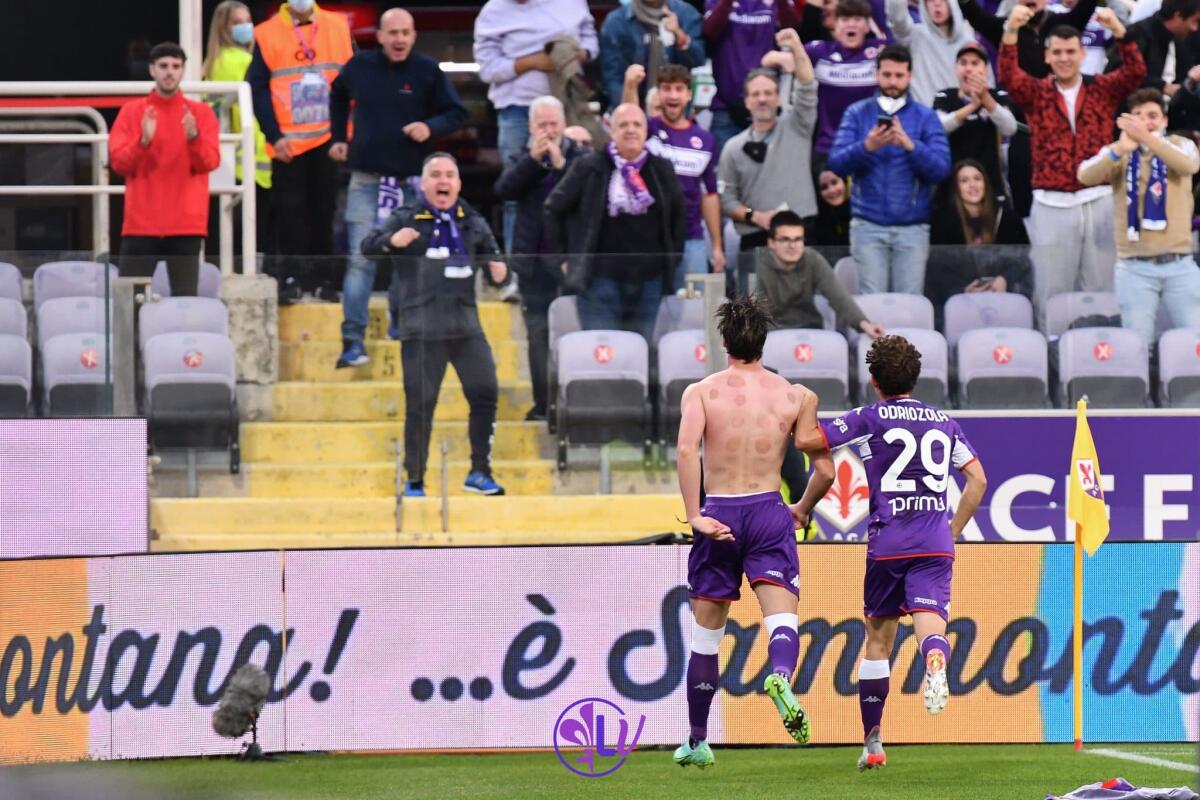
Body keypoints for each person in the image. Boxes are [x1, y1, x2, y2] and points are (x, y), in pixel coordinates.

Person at [803, 334, 987, 771]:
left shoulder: (869, 417)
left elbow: (810, 440)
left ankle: (873, 743)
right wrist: (952, 530)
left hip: (889, 541)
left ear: (873, 380)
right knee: (930, 621)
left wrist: (804, 404)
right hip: (935, 542)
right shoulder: (944, 422)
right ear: (916, 378)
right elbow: (978, 479)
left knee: (878, 641)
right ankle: (935, 661)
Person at [673, 295, 835, 769]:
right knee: (782, 619)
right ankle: (780, 674)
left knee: (707, 636)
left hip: (719, 512)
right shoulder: (794, 396)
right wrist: (801, 508)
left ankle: (698, 740)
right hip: (768, 511)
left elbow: (686, 451)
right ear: (764, 343)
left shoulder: (701, 392)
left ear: (724, 342)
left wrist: (695, 515)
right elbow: (825, 470)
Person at [361, 153, 510, 497]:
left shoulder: (472, 220)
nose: (444, 181)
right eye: (436, 175)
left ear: (458, 183)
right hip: (422, 328)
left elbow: (495, 261)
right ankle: (415, 479)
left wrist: (501, 271)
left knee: (486, 393)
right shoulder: (406, 216)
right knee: (420, 405)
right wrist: (391, 241)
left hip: (466, 327)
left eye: (450, 175)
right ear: (424, 183)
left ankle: (479, 472)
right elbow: (367, 247)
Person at [330, 8, 469, 369]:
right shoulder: (359, 66)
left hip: (411, 184)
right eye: (393, 33)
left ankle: (401, 326)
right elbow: (337, 95)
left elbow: (457, 113)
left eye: (406, 33)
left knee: (408, 262)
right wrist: (338, 137)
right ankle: (352, 341)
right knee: (360, 260)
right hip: (366, 180)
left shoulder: (427, 70)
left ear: (414, 35)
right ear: (379, 36)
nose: (399, 39)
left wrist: (430, 126)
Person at [1000, 7, 1146, 326]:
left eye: (1070, 51)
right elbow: (1009, 75)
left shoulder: (1102, 89)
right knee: (1052, 287)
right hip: (1051, 202)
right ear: (1047, 57)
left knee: (1102, 285)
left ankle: (1102, 343)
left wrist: (1119, 31)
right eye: (1057, 52)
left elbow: (1136, 71)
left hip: (1099, 198)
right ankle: (1053, 345)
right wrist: (1010, 30)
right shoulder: (1036, 94)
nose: (1064, 58)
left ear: (1082, 54)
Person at [543, 103, 686, 342]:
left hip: (650, 280)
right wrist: (562, 259)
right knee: (604, 350)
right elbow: (553, 208)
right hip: (599, 280)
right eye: (623, 125)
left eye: (637, 124)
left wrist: (671, 259)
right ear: (611, 130)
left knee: (641, 351)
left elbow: (679, 217)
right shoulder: (589, 166)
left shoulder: (661, 169)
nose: (630, 130)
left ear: (646, 131)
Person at [247, 0, 353, 303]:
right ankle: (290, 278)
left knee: (325, 211)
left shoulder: (338, 26)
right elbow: (257, 89)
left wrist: (343, 135)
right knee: (288, 214)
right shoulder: (266, 32)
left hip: (329, 141)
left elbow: (353, 81)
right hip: (287, 145)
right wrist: (274, 135)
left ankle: (323, 279)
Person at [1077, 88, 1200, 346]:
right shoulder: (1118, 151)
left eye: (1152, 116)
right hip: (1134, 268)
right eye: (1138, 116)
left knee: (1195, 344)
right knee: (1137, 347)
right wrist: (1120, 149)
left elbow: (1189, 165)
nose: (1145, 122)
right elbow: (1084, 175)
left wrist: (1147, 138)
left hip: (1180, 264)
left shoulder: (1181, 144)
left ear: (1165, 120)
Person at [474, 0, 597, 253]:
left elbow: (591, 42)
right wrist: (532, 62)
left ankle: (573, 262)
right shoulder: (493, 11)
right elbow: (487, 69)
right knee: (514, 193)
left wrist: (574, 55)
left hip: (567, 108)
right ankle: (517, 269)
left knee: (577, 188)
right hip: (518, 110)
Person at [494, 96, 589, 421]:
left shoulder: (580, 157)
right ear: (531, 127)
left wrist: (561, 166)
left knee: (573, 333)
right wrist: (533, 162)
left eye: (553, 124)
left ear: (563, 124)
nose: (548, 131)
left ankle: (574, 401)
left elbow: (584, 196)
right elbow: (505, 190)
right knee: (537, 335)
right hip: (534, 265)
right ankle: (542, 404)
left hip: (570, 263)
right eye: (542, 125)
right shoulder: (522, 157)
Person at [829, 44, 951, 295]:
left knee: (910, 305)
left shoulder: (926, 117)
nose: (893, 82)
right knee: (872, 305)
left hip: (913, 227)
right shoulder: (857, 112)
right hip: (867, 225)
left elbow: (941, 170)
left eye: (899, 75)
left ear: (910, 76)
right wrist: (867, 147)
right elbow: (836, 164)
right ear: (876, 74)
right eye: (887, 75)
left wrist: (910, 146)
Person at [110, 42, 219, 297]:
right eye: (163, 66)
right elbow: (119, 164)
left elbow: (209, 163)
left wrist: (194, 139)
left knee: (185, 301)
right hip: (141, 224)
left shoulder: (201, 114)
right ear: (152, 70)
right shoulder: (131, 112)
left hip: (186, 224)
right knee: (129, 304)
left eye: (175, 66)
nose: (169, 72)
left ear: (183, 70)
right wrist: (143, 142)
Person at [719, 29, 819, 291]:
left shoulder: (798, 125)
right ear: (746, 101)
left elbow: (808, 85)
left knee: (800, 309)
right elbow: (725, 200)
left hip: (801, 234)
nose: (762, 99)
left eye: (768, 93)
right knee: (752, 312)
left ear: (778, 97)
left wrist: (797, 46)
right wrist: (755, 217)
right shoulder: (732, 147)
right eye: (756, 94)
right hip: (755, 239)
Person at [623, 63, 726, 292]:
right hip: (651, 238)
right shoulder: (646, 131)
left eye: (679, 89)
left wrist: (717, 246)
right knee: (651, 305)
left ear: (689, 94)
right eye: (666, 88)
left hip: (691, 238)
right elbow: (628, 119)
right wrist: (630, 86)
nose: (672, 95)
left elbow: (709, 195)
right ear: (659, 93)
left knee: (695, 306)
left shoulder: (705, 140)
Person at [203, 1, 273, 257]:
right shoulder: (241, 61)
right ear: (223, 27)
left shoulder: (214, 63)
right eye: (237, 22)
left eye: (247, 21)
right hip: (250, 158)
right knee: (252, 236)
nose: (245, 27)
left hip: (231, 159)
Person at [927, 160, 1032, 324]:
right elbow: (938, 268)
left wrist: (1005, 279)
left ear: (985, 183)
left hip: (1003, 299)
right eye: (964, 181)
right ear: (956, 188)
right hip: (961, 304)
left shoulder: (1006, 217)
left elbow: (1023, 258)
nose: (972, 185)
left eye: (977, 178)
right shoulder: (944, 222)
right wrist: (962, 289)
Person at [755, 210, 885, 336]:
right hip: (772, 335)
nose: (792, 246)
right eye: (785, 239)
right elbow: (757, 315)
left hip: (811, 330)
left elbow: (838, 296)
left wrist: (865, 325)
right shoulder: (758, 266)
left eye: (798, 239)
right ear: (771, 243)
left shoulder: (812, 259)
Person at [701, 0, 806, 153]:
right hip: (726, 108)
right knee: (723, 167)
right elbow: (709, 31)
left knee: (769, 168)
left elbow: (793, 29)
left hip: (766, 107)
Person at [805, 0, 888, 174]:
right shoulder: (818, 52)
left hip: (870, 145)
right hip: (828, 147)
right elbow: (781, 59)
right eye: (845, 19)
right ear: (834, 25)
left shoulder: (880, 50)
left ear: (867, 26)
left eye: (857, 19)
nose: (851, 24)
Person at [932, 42, 1019, 208]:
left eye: (975, 63)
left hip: (991, 183)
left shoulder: (998, 95)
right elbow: (938, 127)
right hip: (951, 186)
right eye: (963, 63)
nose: (968, 69)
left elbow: (1010, 128)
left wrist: (986, 99)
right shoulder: (945, 96)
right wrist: (971, 107)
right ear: (956, 69)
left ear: (985, 69)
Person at [599, 0, 706, 110]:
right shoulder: (616, 21)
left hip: (675, 110)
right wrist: (628, 111)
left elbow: (698, 61)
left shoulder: (686, 13)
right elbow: (612, 77)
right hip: (633, 108)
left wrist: (679, 34)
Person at [1124, 0, 1200, 132]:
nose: (1195, 28)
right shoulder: (1137, 34)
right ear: (1177, 16)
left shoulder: (1182, 40)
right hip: (1133, 124)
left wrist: (1190, 83)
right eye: (1194, 21)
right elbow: (1122, 75)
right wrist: (1163, 87)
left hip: (1173, 125)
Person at [886, 0, 981, 106]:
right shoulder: (915, 35)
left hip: (961, 112)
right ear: (924, 5)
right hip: (924, 112)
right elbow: (897, 19)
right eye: (930, 0)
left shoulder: (968, 42)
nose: (937, 4)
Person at [810, 170, 852, 247]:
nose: (832, 190)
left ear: (844, 182)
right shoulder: (815, 224)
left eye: (834, 182)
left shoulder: (862, 214)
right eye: (824, 187)